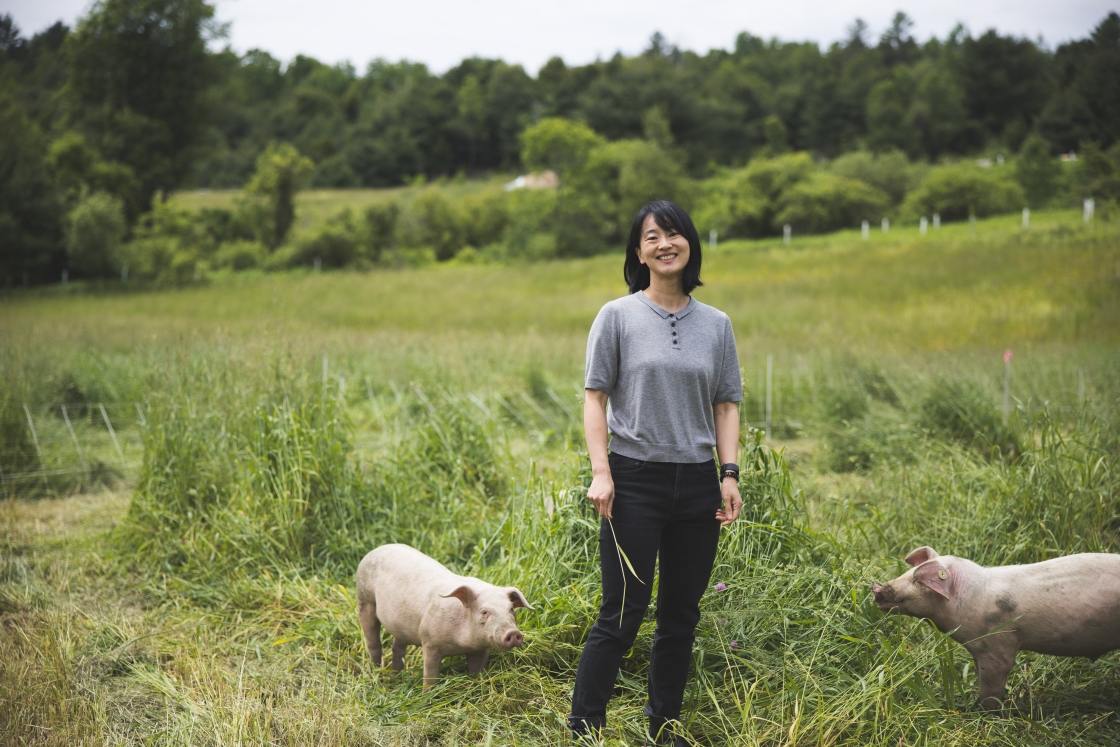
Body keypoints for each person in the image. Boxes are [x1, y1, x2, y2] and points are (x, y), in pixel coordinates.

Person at [568, 200, 743, 746]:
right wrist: (602, 472)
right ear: (639, 253)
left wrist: (729, 474)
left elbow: (726, 405)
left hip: (696, 484)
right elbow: (594, 398)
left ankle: (664, 727)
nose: (665, 244)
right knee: (622, 611)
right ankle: (585, 728)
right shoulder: (617, 316)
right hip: (634, 481)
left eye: (674, 234)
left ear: (690, 244)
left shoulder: (716, 324)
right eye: (652, 237)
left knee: (680, 617)